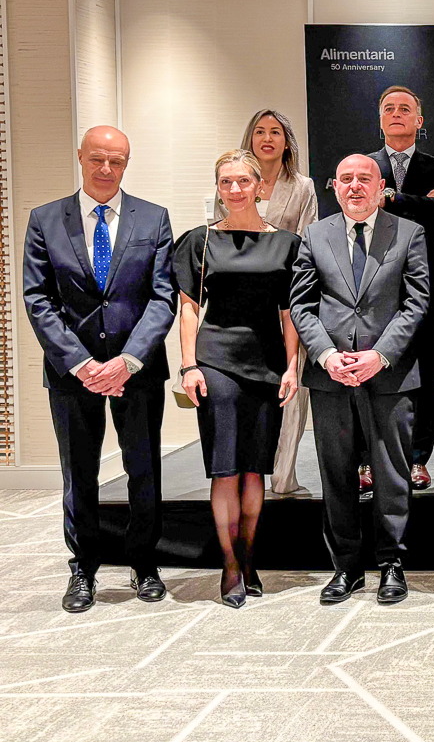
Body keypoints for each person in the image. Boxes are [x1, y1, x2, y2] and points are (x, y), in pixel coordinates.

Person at [23, 125, 175, 613]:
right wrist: (82, 363)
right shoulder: (46, 219)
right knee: (80, 473)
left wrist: (128, 361)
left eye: (117, 161)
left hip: (137, 369)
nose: (106, 169)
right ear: (81, 157)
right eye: (97, 159)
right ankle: (83, 568)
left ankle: (144, 564)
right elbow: (38, 299)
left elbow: (163, 297)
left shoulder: (154, 218)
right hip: (73, 373)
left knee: (143, 469)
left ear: (126, 163)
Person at [290, 154, 429, 606]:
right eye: (346, 179)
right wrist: (327, 355)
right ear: (334, 186)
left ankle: (391, 565)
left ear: (381, 186)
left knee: (392, 475)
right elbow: (301, 306)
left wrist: (380, 355)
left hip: (389, 375)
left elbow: (416, 303)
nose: (354, 186)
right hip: (330, 376)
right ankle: (346, 568)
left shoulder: (408, 233)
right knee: (336, 475)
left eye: (364, 178)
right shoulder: (314, 235)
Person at [176, 150, 301, 607]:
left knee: (255, 468)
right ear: (218, 188)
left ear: (259, 187)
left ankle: (248, 558)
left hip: (267, 364)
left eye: (243, 181)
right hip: (216, 363)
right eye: (225, 182)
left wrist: (292, 366)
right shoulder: (200, 241)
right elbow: (189, 309)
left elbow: (290, 314)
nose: (234, 189)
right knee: (225, 467)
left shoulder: (286, 244)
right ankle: (229, 566)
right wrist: (188, 365)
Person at [214, 109, 318, 496]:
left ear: (287, 142)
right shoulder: (233, 181)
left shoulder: (303, 186)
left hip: (288, 296)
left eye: (275, 132)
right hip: (243, 305)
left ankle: (284, 475)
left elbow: (307, 243)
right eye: (260, 131)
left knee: (293, 387)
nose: (267, 138)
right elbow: (221, 238)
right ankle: (250, 470)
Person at [370, 85, 434, 492]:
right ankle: (369, 460)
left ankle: (419, 458)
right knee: (373, 372)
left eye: (405, 109)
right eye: (389, 108)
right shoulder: (364, 165)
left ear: (419, 121)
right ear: (380, 119)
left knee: (426, 373)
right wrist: (419, 202)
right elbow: (363, 212)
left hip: (424, 282)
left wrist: (391, 198)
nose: (397, 114)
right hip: (373, 281)